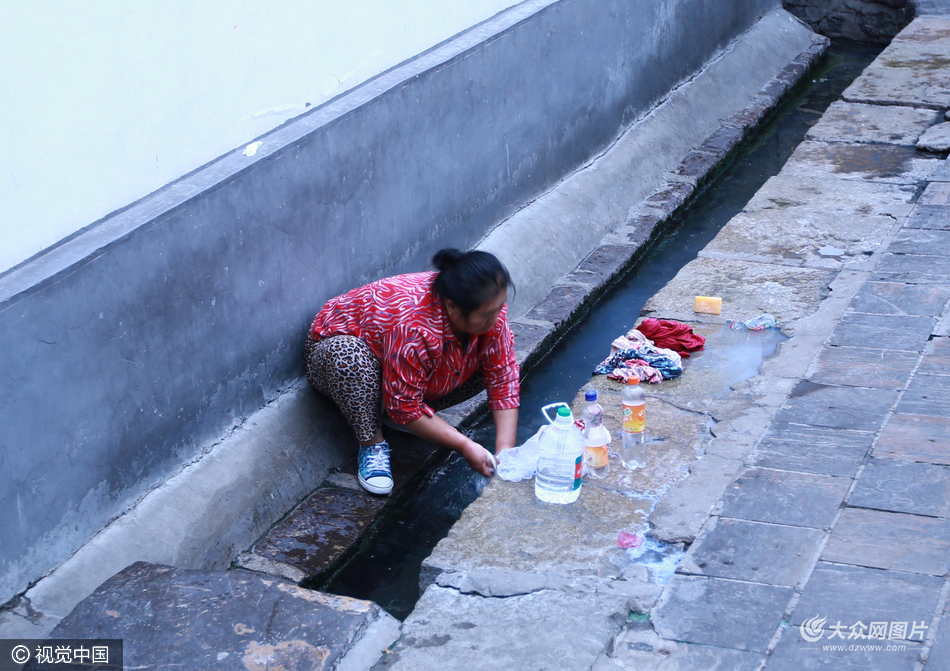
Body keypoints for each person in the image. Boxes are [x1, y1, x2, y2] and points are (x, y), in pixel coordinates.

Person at [304, 249, 519, 495]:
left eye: (499, 307)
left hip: (399, 365)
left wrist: (505, 452)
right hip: (334, 355)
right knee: (349, 357)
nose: (497, 317)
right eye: (487, 314)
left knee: (491, 361)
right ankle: (372, 443)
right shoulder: (412, 324)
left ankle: (407, 418)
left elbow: (503, 378)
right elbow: (403, 406)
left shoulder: (489, 312)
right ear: (452, 307)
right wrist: (464, 445)